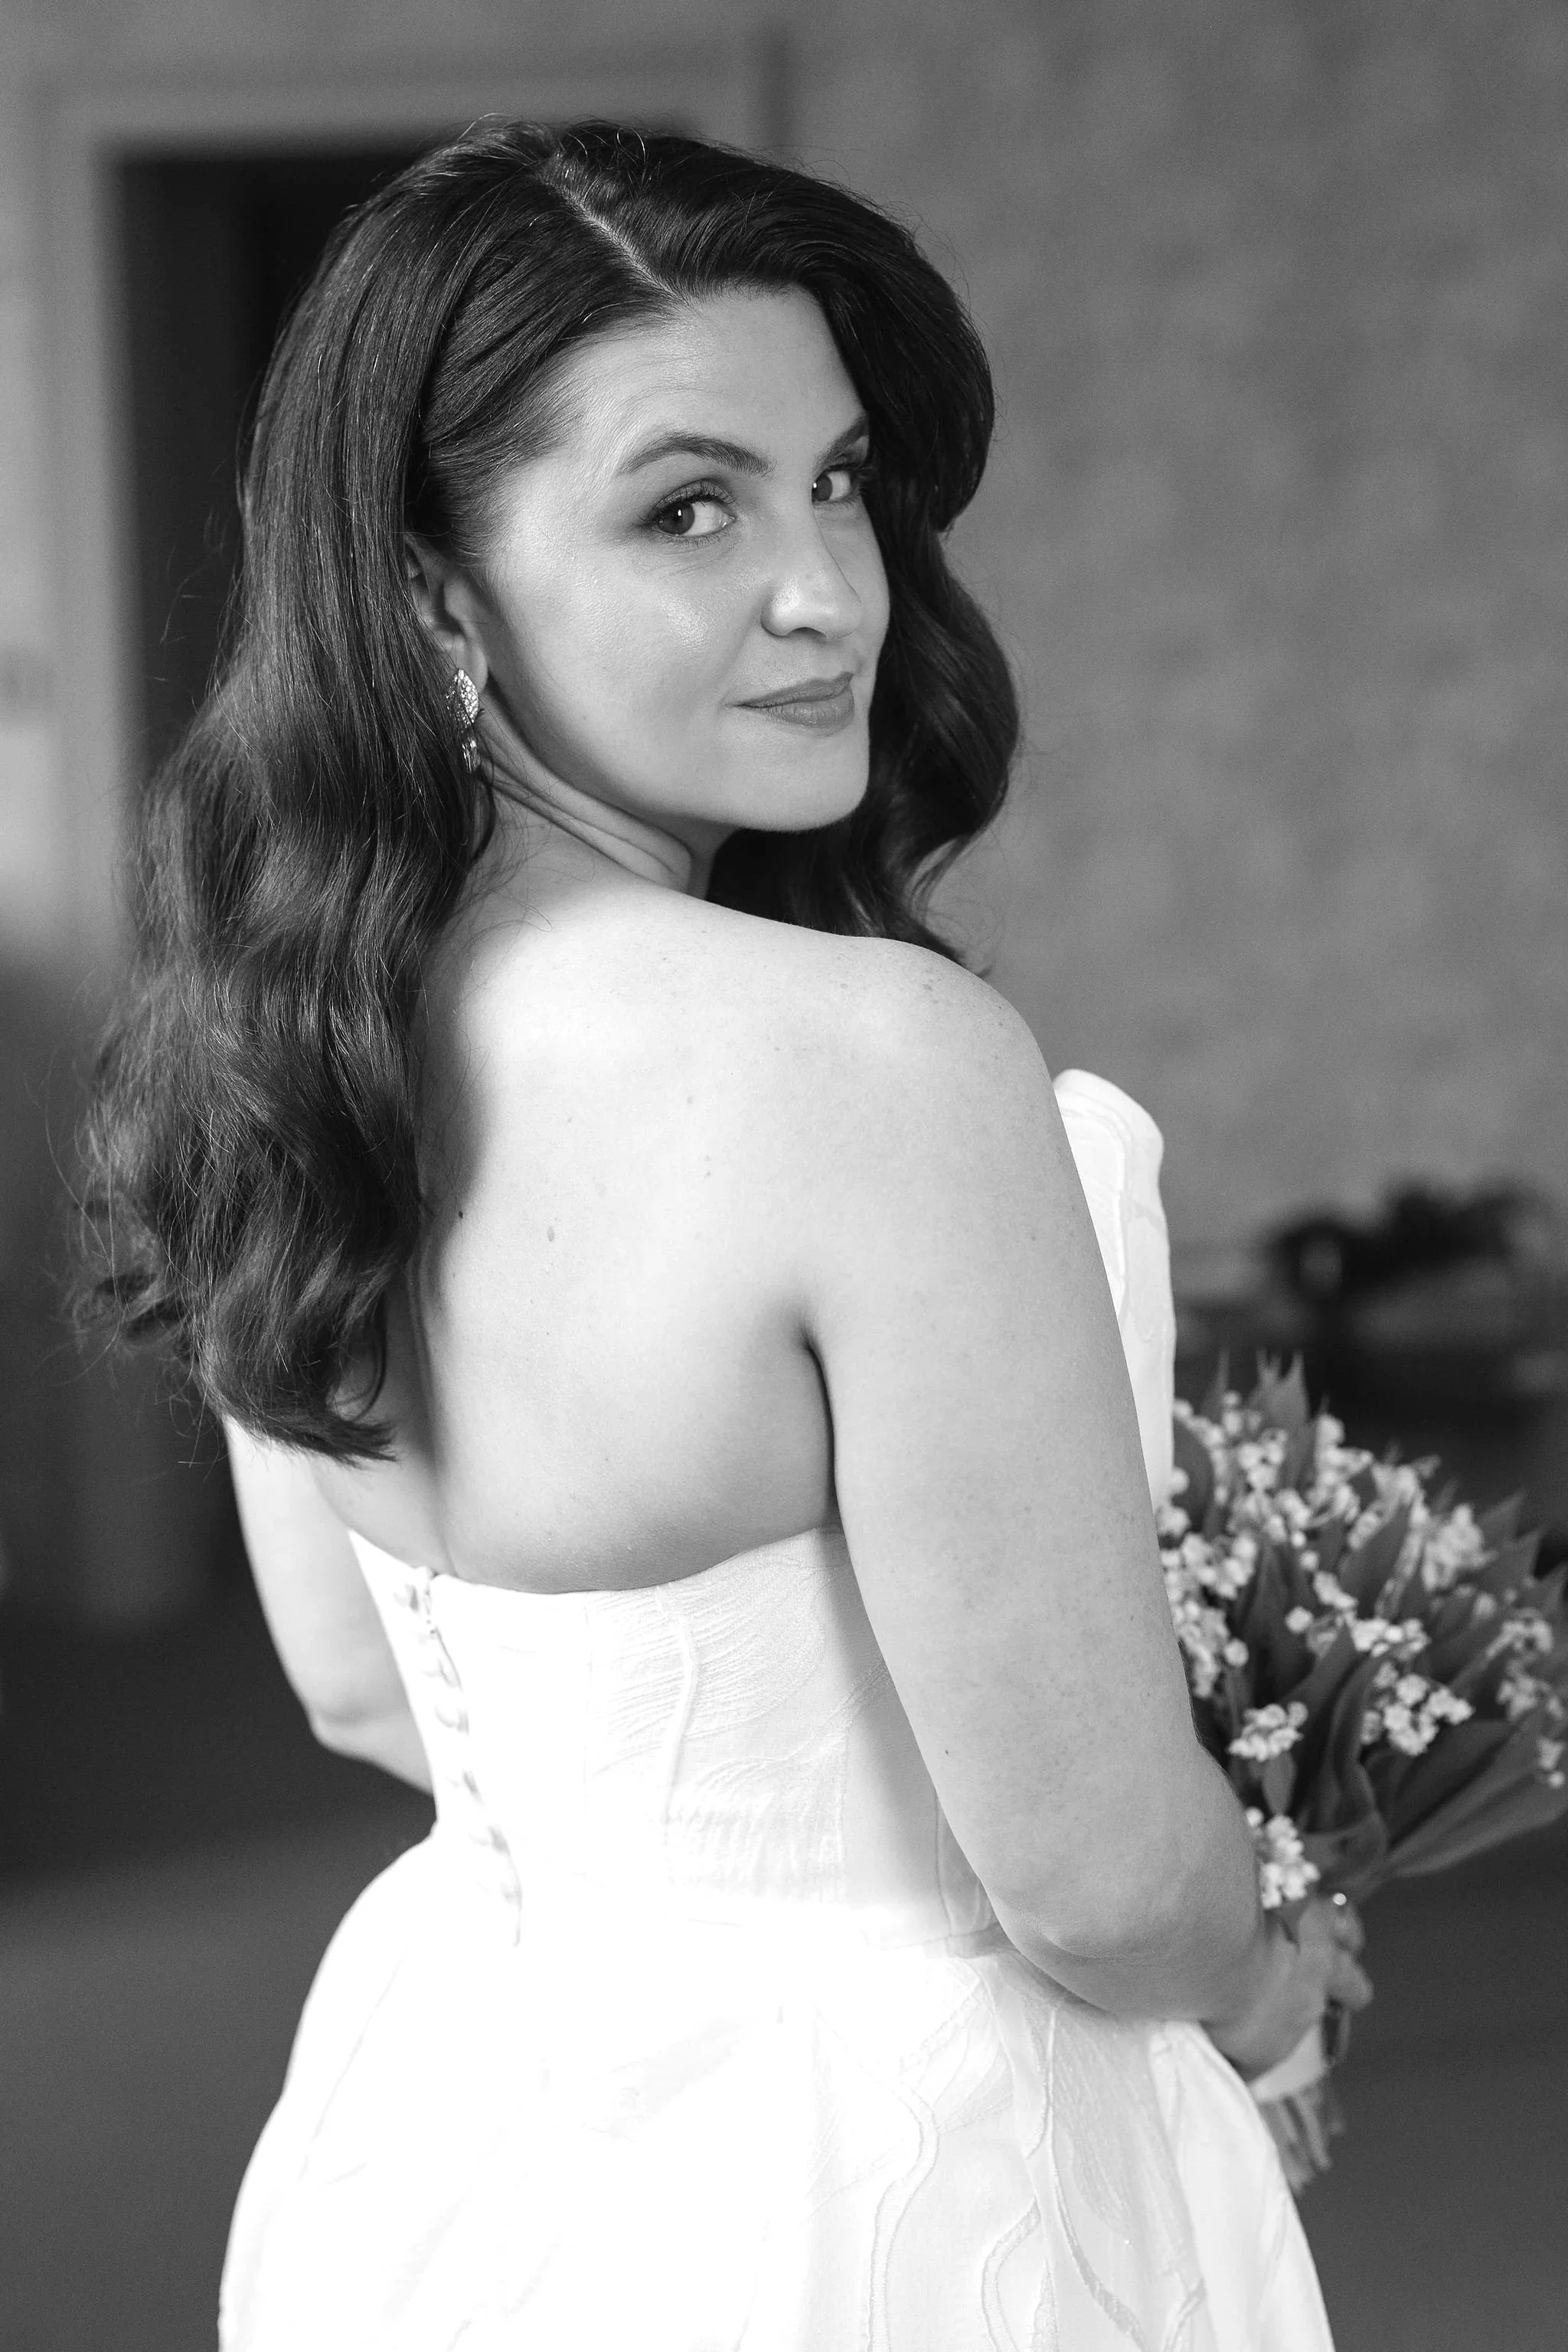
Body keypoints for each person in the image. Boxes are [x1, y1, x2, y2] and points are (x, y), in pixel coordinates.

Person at [78, 121, 1370, 2350]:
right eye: (692, 507)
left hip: (459, 2119)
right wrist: (1272, 1976)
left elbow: (353, 1682)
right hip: (883, 2174)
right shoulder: (876, 1067)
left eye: (840, 482)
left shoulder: (266, 1039)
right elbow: (1094, 1885)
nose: (830, 592)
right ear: (431, 597)